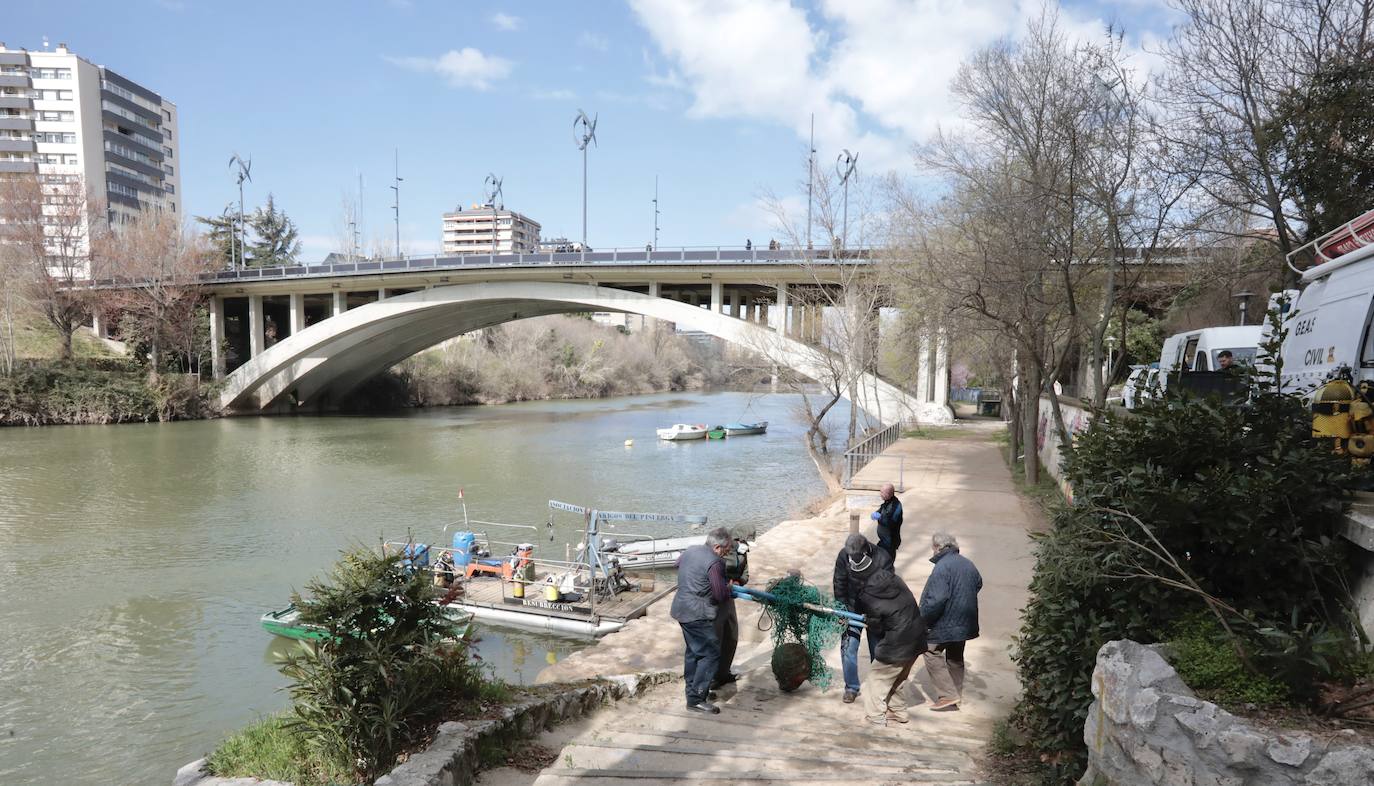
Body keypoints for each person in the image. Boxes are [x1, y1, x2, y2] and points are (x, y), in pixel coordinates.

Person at [853, 554, 927, 727]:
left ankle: (875, 717)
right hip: (917, 636)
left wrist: (869, 621)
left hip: (898, 644)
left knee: (876, 679)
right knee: (897, 677)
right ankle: (898, 712)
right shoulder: (894, 579)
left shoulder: (868, 596)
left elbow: (877, 627)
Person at [670, 527, 733, 714]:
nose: (726, 553)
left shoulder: (690, 550)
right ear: (717, 547)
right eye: (726, 549)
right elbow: (720, 594)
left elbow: (677, 564)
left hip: (681, 608)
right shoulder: (715, 562)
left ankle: (693, 692)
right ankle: (696, 699)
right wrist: (728, 588)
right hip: (697, 614)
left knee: (693, 652)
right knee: (711, 654)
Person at [919, 532, 983, 711]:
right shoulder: (968, 563)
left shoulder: (942, 567)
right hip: (965, 621)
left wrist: (924, 620)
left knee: (930, 652)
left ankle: (947, 695)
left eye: (932, 548)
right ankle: (956, 696)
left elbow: (936, 600)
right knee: (955, 657)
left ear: (938, 547)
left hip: (946, 622)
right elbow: (978, 583)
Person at [833, 533, 893, 703]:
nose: (851, 559)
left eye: (855, 557)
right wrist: (842, 610)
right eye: (849, 556)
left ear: (865, 551)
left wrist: (877, 614)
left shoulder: (883, 558)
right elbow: (839, 583)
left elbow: (887, 589)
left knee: (878, 650)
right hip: (851, 608)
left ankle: (878, 688)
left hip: (875, 611)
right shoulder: (843, 555)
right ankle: (851, 687)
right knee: (848, 648)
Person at [712, 526, 752, 689]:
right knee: (716, 637)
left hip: (730, 596)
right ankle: (711, 677)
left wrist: (738, 582)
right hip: (715, 598)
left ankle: (723, 673)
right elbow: (712, 572)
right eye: (742, 542)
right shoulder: (719, 551)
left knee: (731, 634)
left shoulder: (743, 552)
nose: (744, 545)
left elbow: (746, 574)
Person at [871, 483, 903, 557]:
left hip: (890, 543)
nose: (880, 494)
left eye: (882, 492)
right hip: (883, 541)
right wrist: (877, 512)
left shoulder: (896, 506)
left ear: (888, 494)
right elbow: (882, 509)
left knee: (887, 563)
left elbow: (891, 522)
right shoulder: (888, 501)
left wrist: (880, 517)